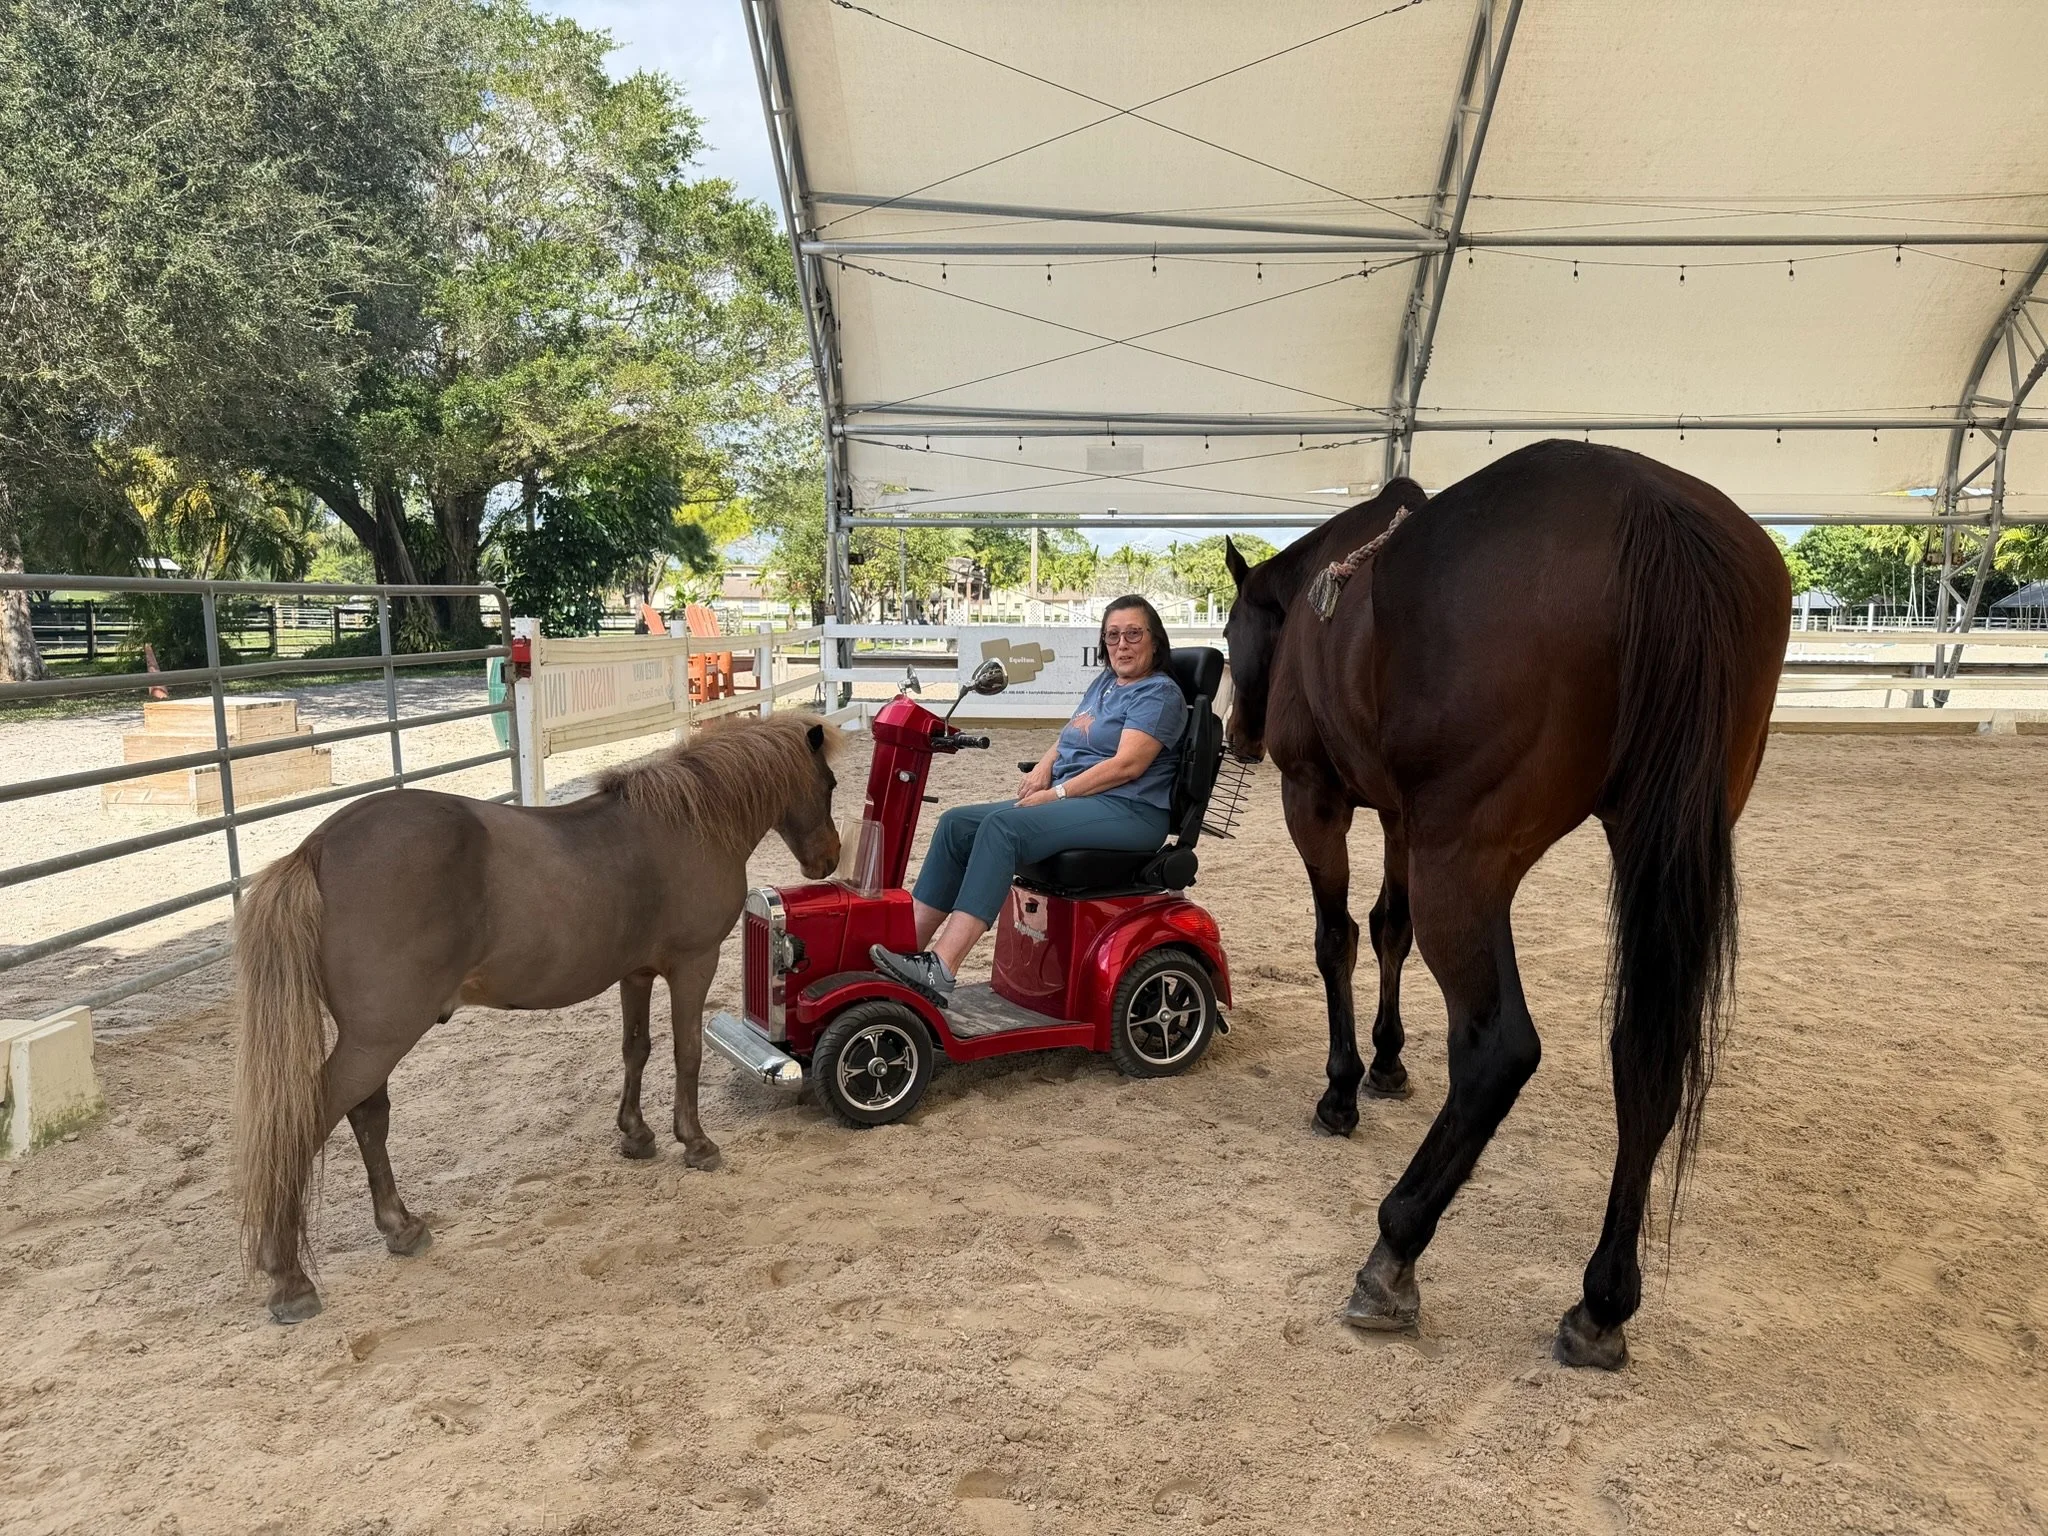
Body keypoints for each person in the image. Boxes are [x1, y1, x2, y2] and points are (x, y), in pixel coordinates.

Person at [870, 595, 1185, 1006]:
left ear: (1155, 641)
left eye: (1133, 634)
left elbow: (1128, 766)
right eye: (1112, 636)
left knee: (1004, 828)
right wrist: (1045, 767)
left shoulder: (1158, 694)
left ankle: (941, 968)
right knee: (956, 824)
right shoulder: (1106, 683)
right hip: (1083, 800)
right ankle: (907, 950)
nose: (1122, 644)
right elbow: (1072, 732)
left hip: (1129, 809)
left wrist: (1055, 794)